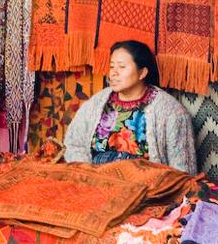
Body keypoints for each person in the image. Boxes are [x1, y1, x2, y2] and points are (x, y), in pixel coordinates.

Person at [64, 40, 197, 174]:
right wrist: (88, 175)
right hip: (96, 183)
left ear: (142, 73)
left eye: (121, 67)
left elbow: (183, 170)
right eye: (111, 67)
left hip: (145, 188)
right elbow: (74, 144)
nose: (113, 73)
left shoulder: (170, 111)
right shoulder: (96, 103)